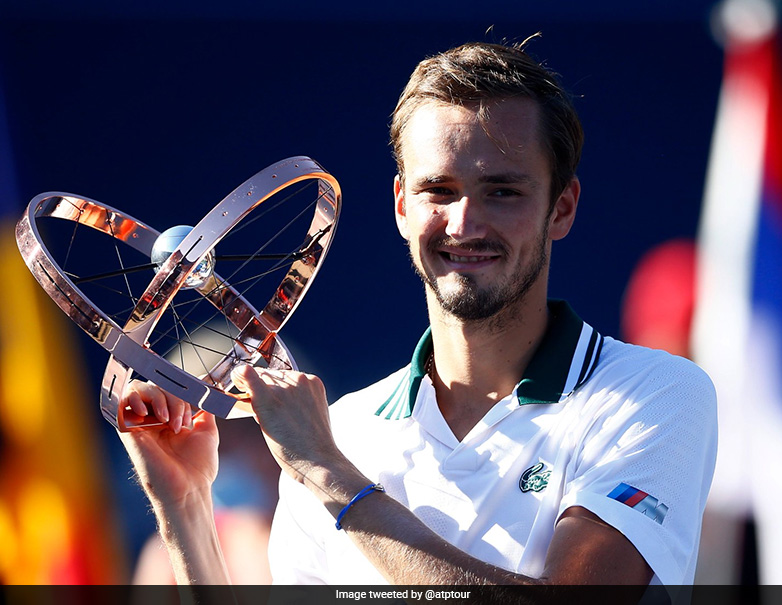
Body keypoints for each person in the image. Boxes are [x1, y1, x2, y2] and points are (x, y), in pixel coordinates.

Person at [118, 40, 717, 587]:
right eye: (440, 190)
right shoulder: (341, 431)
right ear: (402, 205)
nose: (464, 224)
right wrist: (187, 506)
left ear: (561, 208)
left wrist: (331, 475)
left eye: (502, 191)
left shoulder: (657, 394)